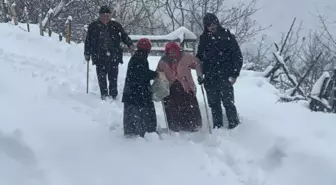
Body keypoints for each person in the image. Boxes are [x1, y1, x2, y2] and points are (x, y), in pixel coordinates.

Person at [196, 13, 243, 129]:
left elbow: (237, 56)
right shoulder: (203, 39)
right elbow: (199, 58)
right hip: (210, 77)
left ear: (217, 23)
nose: (212, 26)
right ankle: (218, 127)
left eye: (213, 23)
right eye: (209, 25)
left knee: (228, 103)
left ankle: (234, 126)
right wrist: (200, 74)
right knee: (214, 104)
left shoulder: (227, 36)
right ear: (205, 26)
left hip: (225, 75)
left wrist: (235, 74)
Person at [84, 5, 135, 100]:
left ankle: (113, 94)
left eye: (107, 15)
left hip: (114, 55)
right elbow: (88, 41)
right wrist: (87, 53)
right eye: (103, 15)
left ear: (110, 16)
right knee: (101, 77)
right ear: (99, 15)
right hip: (99, 56)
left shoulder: (116, 26)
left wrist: (130, 44)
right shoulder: (93, 26)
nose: (105, 17)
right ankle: (104, 94)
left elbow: (124, 36)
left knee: (113, 77)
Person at [156, 42, 203, 132]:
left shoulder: (186, 57)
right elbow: (159, 73)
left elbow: (197, 63)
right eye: (169, 52)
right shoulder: (163, 61)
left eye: (174, 51)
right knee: (172, 105)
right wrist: (161, 87)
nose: (172, 53)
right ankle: (175, 127)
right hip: (170, 87)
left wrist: (199, 75)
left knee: (189, 105)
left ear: (178, 50)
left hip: (186, 86)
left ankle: (193, 126)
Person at [122, 38, 157, 137]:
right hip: (138, 91)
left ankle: (131, 129)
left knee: (132, 110)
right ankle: (144, 130)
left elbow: (140, 72)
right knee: (143, 110)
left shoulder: (137, 56)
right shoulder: (141, 58)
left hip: (131, 90)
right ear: (148, 49)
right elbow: (142, 74)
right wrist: (155, 74)